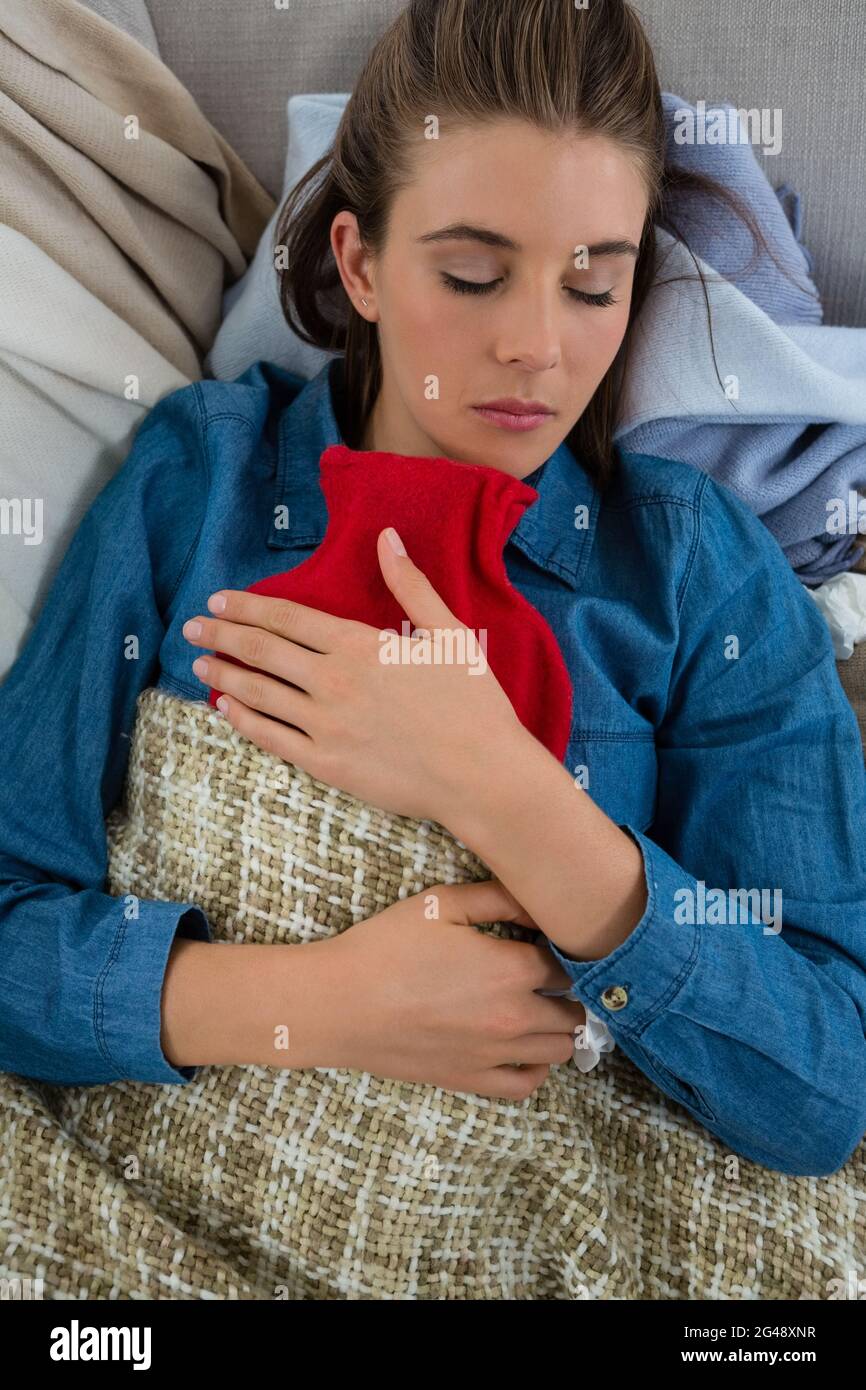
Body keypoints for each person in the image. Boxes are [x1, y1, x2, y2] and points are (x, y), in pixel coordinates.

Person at [1, 0, 864, 1177]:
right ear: (357, 262)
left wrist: (504, 788)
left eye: (590, 286)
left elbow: (822, 1085)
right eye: (469, 274)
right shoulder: (193, 483)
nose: (532, 347)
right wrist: (317, 1002)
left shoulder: (691, 571)